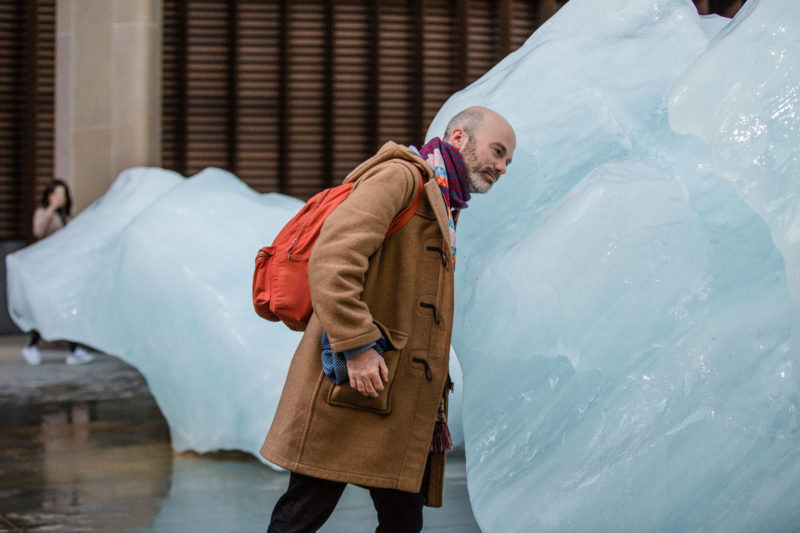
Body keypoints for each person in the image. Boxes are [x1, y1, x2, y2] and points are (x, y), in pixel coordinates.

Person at [261, 106, 516, 532]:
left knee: (401, 523)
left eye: (508, 159)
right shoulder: (401, 178)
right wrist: (357, 345)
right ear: (458, 139)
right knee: (301, 516)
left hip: (397, 397)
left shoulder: (444, 199)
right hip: (357, 383)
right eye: (497, 151)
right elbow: (333, 259)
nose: (502, 167)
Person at [20, 179, 95, 366]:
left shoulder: (67, 216)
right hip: (48, 269)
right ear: (49, 196)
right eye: (56, 194)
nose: (60, 198)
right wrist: (51, 209)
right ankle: (32, 346)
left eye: (63, 194)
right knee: (49, 309)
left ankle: (73, 350)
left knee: (66, 308)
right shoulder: (43, 213)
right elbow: (39, 231)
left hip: (64, 268)